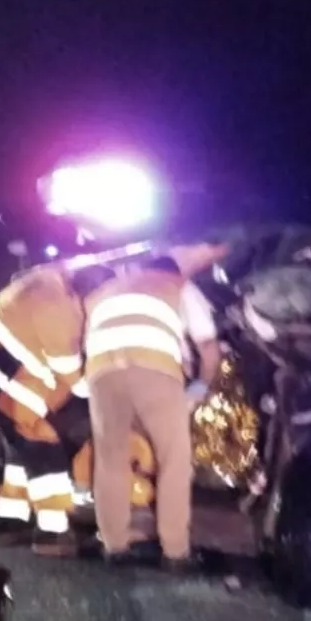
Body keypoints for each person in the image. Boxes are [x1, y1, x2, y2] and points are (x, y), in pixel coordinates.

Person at [86, 242, 227, 572]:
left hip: (102, 372)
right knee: (174, 461)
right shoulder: (180, 286)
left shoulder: (106, 291)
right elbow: (208, 347)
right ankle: (176, 552)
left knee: (110, 460)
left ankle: (114, 546)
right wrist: (201, 386)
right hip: (154, 368)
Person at [0, 262, 90, 557]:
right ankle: (53, 532)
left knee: (19, 448)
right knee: (44, 449)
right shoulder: (61, 311)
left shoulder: (46, 284)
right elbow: (73, 379)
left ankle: (10, 522)